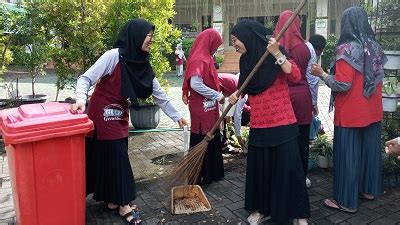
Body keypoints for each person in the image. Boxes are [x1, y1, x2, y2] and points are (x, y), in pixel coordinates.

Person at [70, 19, 187, 224]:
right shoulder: (113, 56)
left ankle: (112, 200)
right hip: (102, 112)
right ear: (135, 35)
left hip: (121, 114)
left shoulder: (142, 63)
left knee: (114, 155)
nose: (151, 39)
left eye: (152, 35)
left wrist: (177, 116)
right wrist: (81, 99)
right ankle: (124, 204)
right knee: (118, 158)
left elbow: (160, 95)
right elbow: (85, 78)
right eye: (148, 35)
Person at [229, 19, 310, 225]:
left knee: (290, 171)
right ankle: (262, 210)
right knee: (262, 172)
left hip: (283, 122)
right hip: (259, 125)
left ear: (248, 36)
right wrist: (235, 95)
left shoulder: (275, 51)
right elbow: (244, 86)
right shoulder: (246, 61)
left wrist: (277, 54)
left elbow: (296, 76)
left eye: (235, 39)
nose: (234, 44)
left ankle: (299, 214)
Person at [310, 6, 387, 213]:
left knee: (348, 157)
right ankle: (369, 190)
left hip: (351, 113)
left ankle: (346, 201)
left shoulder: (346, 49)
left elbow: (343, 84)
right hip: (372, 111)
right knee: (369, 153)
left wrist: (322, 74)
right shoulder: (374, 47)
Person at [181, 28, 225, 185]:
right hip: (201, 107)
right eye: (216, 44)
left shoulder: (206, 57)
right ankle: (201, 173)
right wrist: (216, 95)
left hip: (209, 106)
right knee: (202, 135)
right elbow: (195, 84)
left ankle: (211, 173)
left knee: (210, 134)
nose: (216, 48)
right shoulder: (200, 59)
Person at [305, 34, 327, 187]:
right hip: (303, 99)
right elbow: (313, 80)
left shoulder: (303, 47)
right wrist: (314, 103)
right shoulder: (312, 53)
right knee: (303, 136)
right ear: (319, 49)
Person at [218, 73, 250, 151]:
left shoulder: (241, 81)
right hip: (214, 83)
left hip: (216, 81)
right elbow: (237, 116)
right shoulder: (243, 95)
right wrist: (239, 136)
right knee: (219, 116)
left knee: (224, 116)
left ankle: (222, 143)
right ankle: (222, 144)